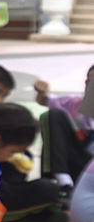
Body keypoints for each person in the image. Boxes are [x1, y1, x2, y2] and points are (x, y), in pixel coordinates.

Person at [0, 63, 69, 222]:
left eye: (3, 96)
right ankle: (10, 217)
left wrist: (15, 155)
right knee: (48, 190)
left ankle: (19, 215)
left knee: (25, 157)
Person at [35, 65, 94, 193]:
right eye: (90, 82)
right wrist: (42, 91)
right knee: (52, 116)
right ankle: (62, 182)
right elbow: (44, 100)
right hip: (79, 162)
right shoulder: (74, 103)